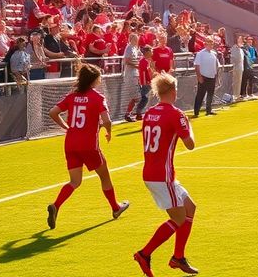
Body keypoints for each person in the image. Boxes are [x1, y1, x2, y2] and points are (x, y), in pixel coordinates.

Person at [46, 63, 130, 229]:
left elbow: (52, 112)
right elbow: (106, 120)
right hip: (88, 145)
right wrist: (108, 132)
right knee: (104, 176)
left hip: (70, 143)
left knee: (75, 181)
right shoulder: (97, 97)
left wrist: (66, 127)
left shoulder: (72, 96)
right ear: (94, 80)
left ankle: (56, 205)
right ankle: (115, 207)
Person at [134, 72, 200, 276]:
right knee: (179, 218)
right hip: (161, 176)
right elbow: (190, 145)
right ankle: (144, 254)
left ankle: (178, 257)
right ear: (173, 91)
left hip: (155, 172)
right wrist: (189, 126)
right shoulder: (175, 113)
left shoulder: (149, 113)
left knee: (190, 207)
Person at [193, 37, 219, 117]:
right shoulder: (200, 53)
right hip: (204, 77)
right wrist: (199, 77)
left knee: (210, 94)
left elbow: (216, 66)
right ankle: (196, 112)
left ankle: (209, 110)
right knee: (200, 95)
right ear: (205, 44)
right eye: (209, 43)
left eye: (212, 43)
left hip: (212, 77)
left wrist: (216, 77)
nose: (211, 45)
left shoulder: (214, 54)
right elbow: (197, 66)